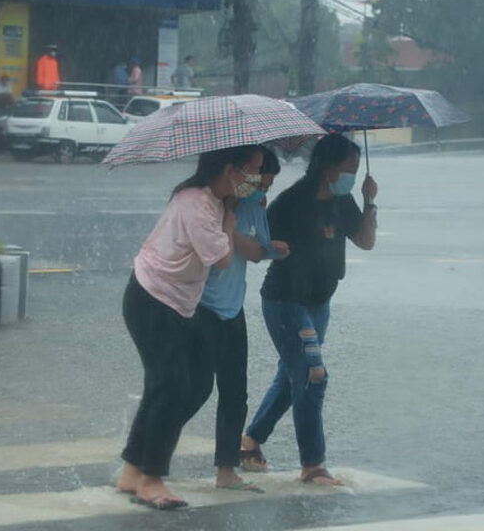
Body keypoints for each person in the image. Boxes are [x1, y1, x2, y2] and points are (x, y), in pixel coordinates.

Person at [116, 145, 265, 510]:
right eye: (252, 171)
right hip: (152, 298)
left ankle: (133, 469)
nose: (255, 180)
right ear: (230, 170)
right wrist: (230, 224)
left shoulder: (213, 200)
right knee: (172, 384)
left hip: (175, 303)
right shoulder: (197, 204)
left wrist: (231, 212)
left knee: (194, 384)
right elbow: (224, 259)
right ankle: (151, 479)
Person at [240, 133, 378, 486]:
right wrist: (272, 247)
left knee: (293, 377)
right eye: (350, 168)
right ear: (327, 167)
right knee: (313, 375)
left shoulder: (344, 200)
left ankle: (250, 441)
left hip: (319, 303)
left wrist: (369, 202)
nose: (353, 174)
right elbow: (257, 242)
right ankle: (313, 465)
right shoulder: (292, 201)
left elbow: (365, 241)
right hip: (286, 302)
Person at [197, 147, 290, 493]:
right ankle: (149, 460)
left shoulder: (253, 204)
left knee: (235, 392)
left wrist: (268, 248)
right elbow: (238, 246)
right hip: (199, 306)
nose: (261, 189)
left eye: (266, 185)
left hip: (231, 308)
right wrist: (240, 228)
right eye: (257, 179)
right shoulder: (210, 202)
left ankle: (226, 470)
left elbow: (254, 249)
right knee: (191, 389)